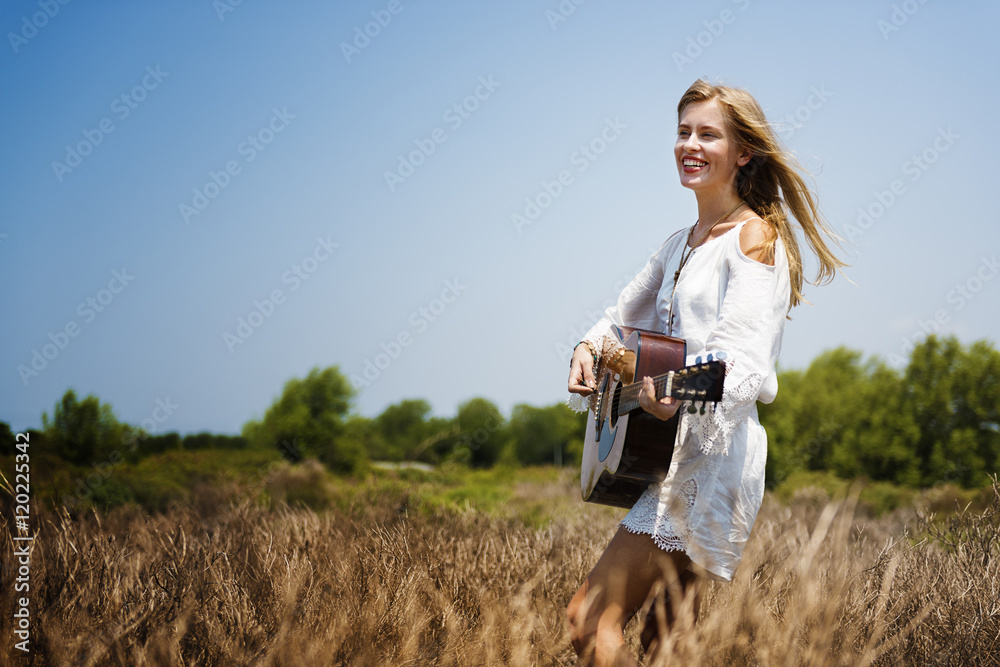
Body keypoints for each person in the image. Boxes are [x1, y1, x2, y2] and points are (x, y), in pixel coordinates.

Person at [564, 79, 846, 666]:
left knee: (590, 621)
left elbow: (740, 366)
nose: (690, 144)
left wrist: (669, 390)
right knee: (664, 645)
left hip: (708, 463)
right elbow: (620, 318)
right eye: (683, 131)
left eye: (708, 134)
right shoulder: (679, 244)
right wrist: (588, 347)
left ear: (743, 151)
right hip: (672, 451)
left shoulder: (753, 237)